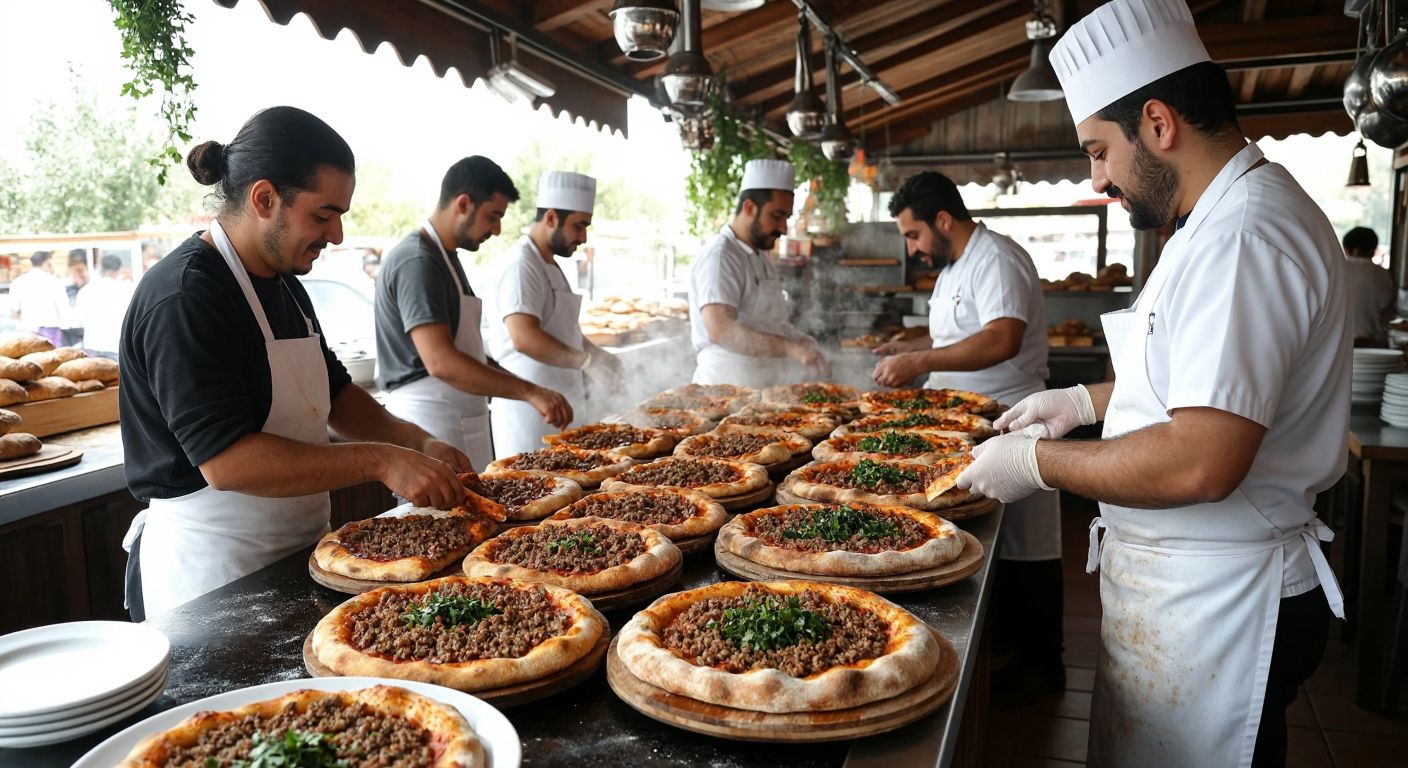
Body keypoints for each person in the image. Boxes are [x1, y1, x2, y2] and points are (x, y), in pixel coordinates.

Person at [957, 2, 1348, 765]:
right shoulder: (1209, 221)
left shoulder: (1244, 236)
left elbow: (1202, 458)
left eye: (1099, 150)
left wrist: (1037, 465)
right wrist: (1080, 403)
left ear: (1159, 124)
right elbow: (1187, 380)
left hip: (1223, 601)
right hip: (1189, 590)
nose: (1097, 177)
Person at [119, 106, 471, 621]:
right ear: (265, 199)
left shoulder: (285, 284)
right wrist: (381, 460)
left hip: (298, 552)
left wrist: (418, 442)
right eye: (323, 215)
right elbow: (228, 462)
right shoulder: (186, 296)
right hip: (213, 577)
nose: (337, 236)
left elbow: (335, 395)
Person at [872, 171, 1063, 701]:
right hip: (960, 423)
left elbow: (1002, 338)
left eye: (913, 236)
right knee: (986, 538)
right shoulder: (953, 267)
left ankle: (1044, 664)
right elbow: (951, 335)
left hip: (1009, 417)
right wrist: (905, 345)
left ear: (943, 219)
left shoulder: (996, 257)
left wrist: (921, 360)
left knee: (1026, 542)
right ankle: (1002, 645)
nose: (912, 248)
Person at [376, 156, 572, 470]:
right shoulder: (418, 261)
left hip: (457, 417)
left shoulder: (447, 259)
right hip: (429, 421)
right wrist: (529, 391)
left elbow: (471, 354)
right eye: (492, 216)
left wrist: (535, 391)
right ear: (464, 203)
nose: (496, 230)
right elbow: (440, 361)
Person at [488, 170, 622, 457]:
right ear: (550, 218)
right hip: (530, 417)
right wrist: (586, 362)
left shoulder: (550, 265)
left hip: (562, 410)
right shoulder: (521, 266)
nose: (584, 237)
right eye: (579, 225)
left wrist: (599, 356)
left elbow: (566, 333)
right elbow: (524, 336)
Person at [688, 158, 828, 386]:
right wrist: (789, 349)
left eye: (787, 218)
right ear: (749, 208)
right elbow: (721, 330)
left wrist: (803, 343)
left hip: (763, 391)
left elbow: (771, 322)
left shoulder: (760, 256)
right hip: (724, 393)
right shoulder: (721, 257)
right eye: (777, 216)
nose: (783, 228)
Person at [1341, 226, 1395, 345]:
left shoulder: (1336, 269)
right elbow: (1387, 315)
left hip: (1339, 344)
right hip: (1372, 343)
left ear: (1353, 250)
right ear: (1373, 250)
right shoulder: (1383, 274)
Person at [76, 254, 135, 359]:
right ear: (119, 269)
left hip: (91, 345)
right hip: (116, 346)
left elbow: (79, 321)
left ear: (100, 269)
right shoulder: (126, 290)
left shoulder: (86, 290)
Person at [8, 251, 68, 345]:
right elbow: (65, 311)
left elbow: (13, 313)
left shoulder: (18, 282)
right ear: (47, 262)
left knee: (29, 359)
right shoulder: (55, 282)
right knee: (52, 358)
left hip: (28, 333)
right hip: (52, 334)